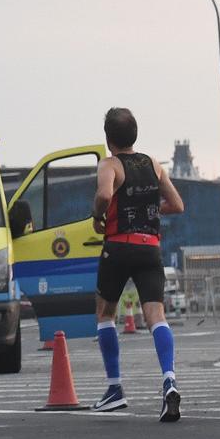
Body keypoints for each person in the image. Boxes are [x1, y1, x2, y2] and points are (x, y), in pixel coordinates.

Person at [88, 108, 187, 422]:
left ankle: (114, 388)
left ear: (108, 139)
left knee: (105, 312)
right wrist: (147, 209)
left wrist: (97, 214)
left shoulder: (110, 164)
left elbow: (104, 195)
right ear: (135, 134)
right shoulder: (153, 164)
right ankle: (169, 379)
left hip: (118, 246)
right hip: (150, 248)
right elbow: (177, 205)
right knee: (155, 314)